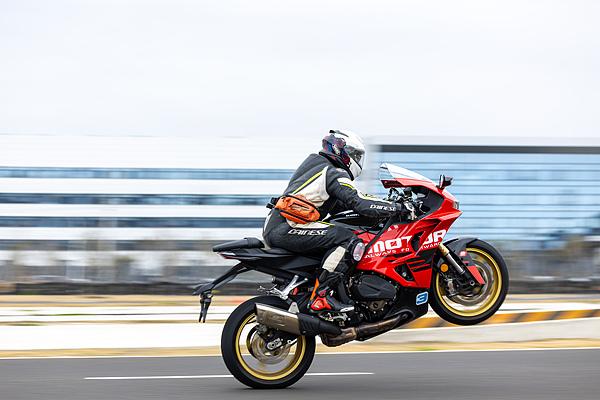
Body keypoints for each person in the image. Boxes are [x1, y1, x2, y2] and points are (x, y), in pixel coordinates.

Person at [263, 130, 399, 313]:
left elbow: (345, 207)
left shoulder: (318, 167)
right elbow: (359, 201)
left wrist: (378, 209)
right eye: (356, 155)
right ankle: (322, 296)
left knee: (336, 233)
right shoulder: (333, 171)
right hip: (287, 227)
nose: (357, 160)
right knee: (348, 239)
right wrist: (396, 207)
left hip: (280, 226)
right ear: (341, 150)